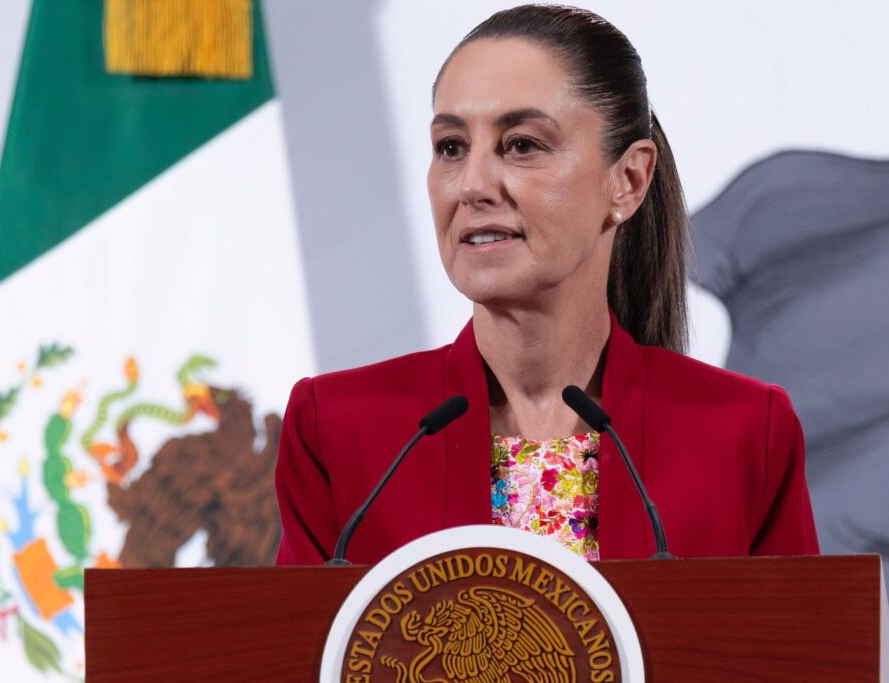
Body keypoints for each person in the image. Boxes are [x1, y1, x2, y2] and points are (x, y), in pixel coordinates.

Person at [274, 4, 819, 566]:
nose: (472, 185)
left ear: (628, 180)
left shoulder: (745, 432)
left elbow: (797, 626)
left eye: (522, 145)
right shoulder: (336, 429)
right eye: (451, 147)